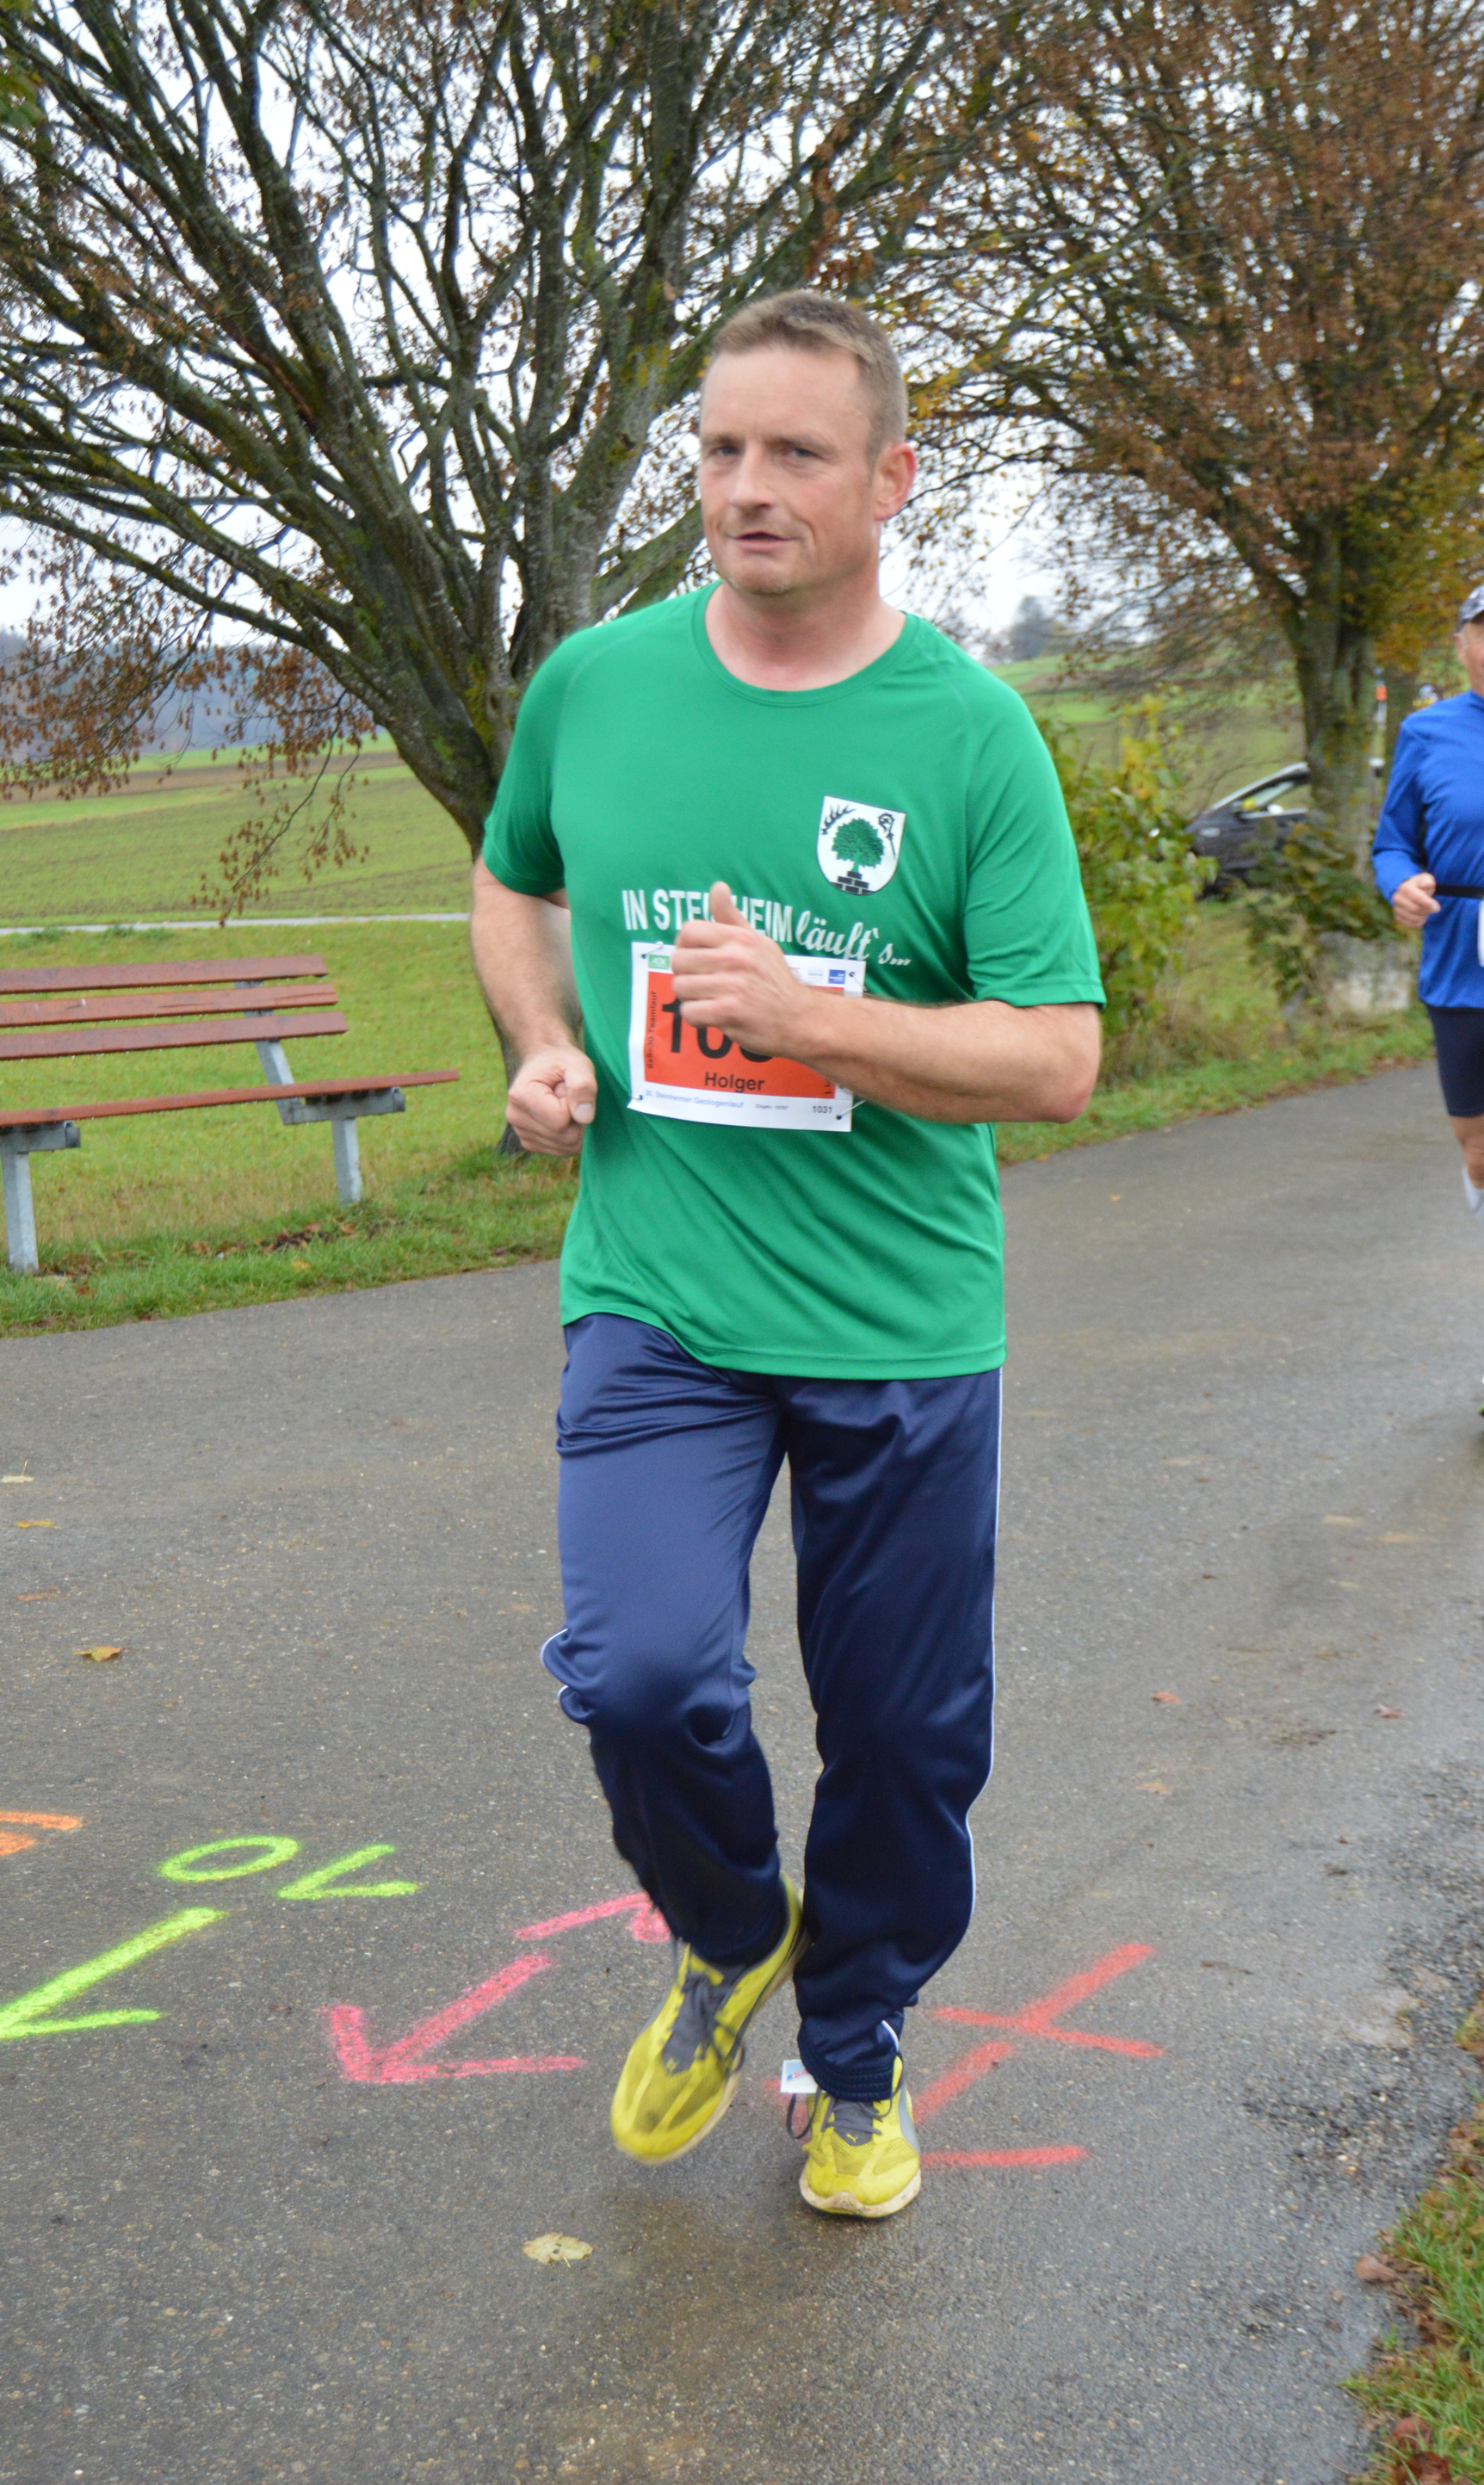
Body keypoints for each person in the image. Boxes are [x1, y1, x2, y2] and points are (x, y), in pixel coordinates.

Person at [470, 292, 1104, 2221]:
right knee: (640, 1673)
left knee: (905, 1741)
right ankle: (733, 1928)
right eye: (722, 449)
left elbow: (1058, 1056)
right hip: (657, 1295)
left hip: (899, 1317)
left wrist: (820, 1022)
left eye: (796, 453)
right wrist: (544, 1041)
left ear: (891, 479)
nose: (747, 486)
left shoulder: (969, 737)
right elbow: (513, 882)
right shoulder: (597, 684)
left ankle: (859, 2046)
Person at [1373, 585, 1484, 1394]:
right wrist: (1401, 884)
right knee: (1477, 1146)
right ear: (1463, 643)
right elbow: (1392, 844)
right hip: (1459, 963)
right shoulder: (1427, 731)